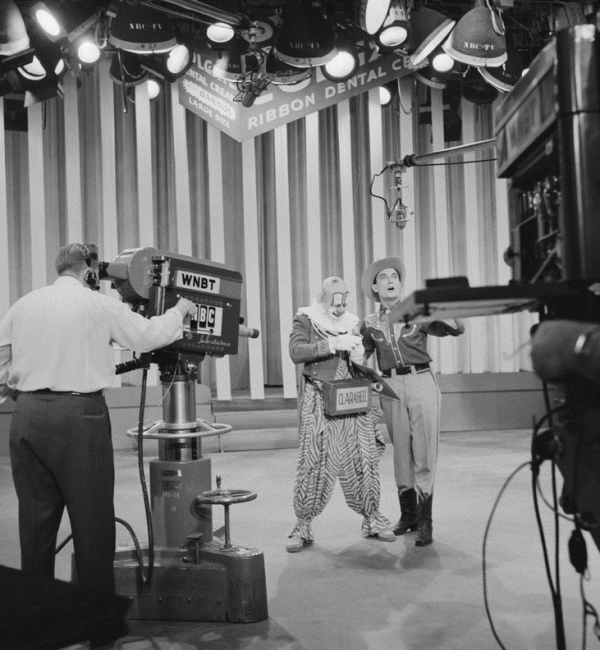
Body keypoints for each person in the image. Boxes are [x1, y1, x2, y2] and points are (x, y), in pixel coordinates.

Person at [0, 244, 196, 614]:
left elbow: (1, 365)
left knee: (36, 527)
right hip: (79, 418)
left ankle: (36, 620)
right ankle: (99, 626)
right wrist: (179, 310)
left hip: (25, 417)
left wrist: (27, 389)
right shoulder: (98, 304)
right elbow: (147, 336)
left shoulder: (22, 305)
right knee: (93, 526)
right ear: (89, 271)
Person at [359, 257, 465, 547]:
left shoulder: (417, 312)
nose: (391, 280)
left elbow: (456, 329)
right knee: (401, 454)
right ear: (374, 287)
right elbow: (358, 354)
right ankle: (408, 516)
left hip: (420, 381)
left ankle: (426, 520)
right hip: (389, 384)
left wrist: (443, 307)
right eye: (384, 277)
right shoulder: (369, 323)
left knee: (424, 451)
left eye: (395, 276)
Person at [286, 276, 395, 553]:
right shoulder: (306, 319)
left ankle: (371, 517)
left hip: (352, 396)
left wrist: (358, 354)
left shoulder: (353, 322)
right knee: (314, 461)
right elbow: (296, 352)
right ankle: (303, 524)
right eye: (335, 303)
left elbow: (360, 358)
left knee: (364, 458)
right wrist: (330, 346)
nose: (339, 309)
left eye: (343, 301)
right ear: (323, 299)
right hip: (319, 398)